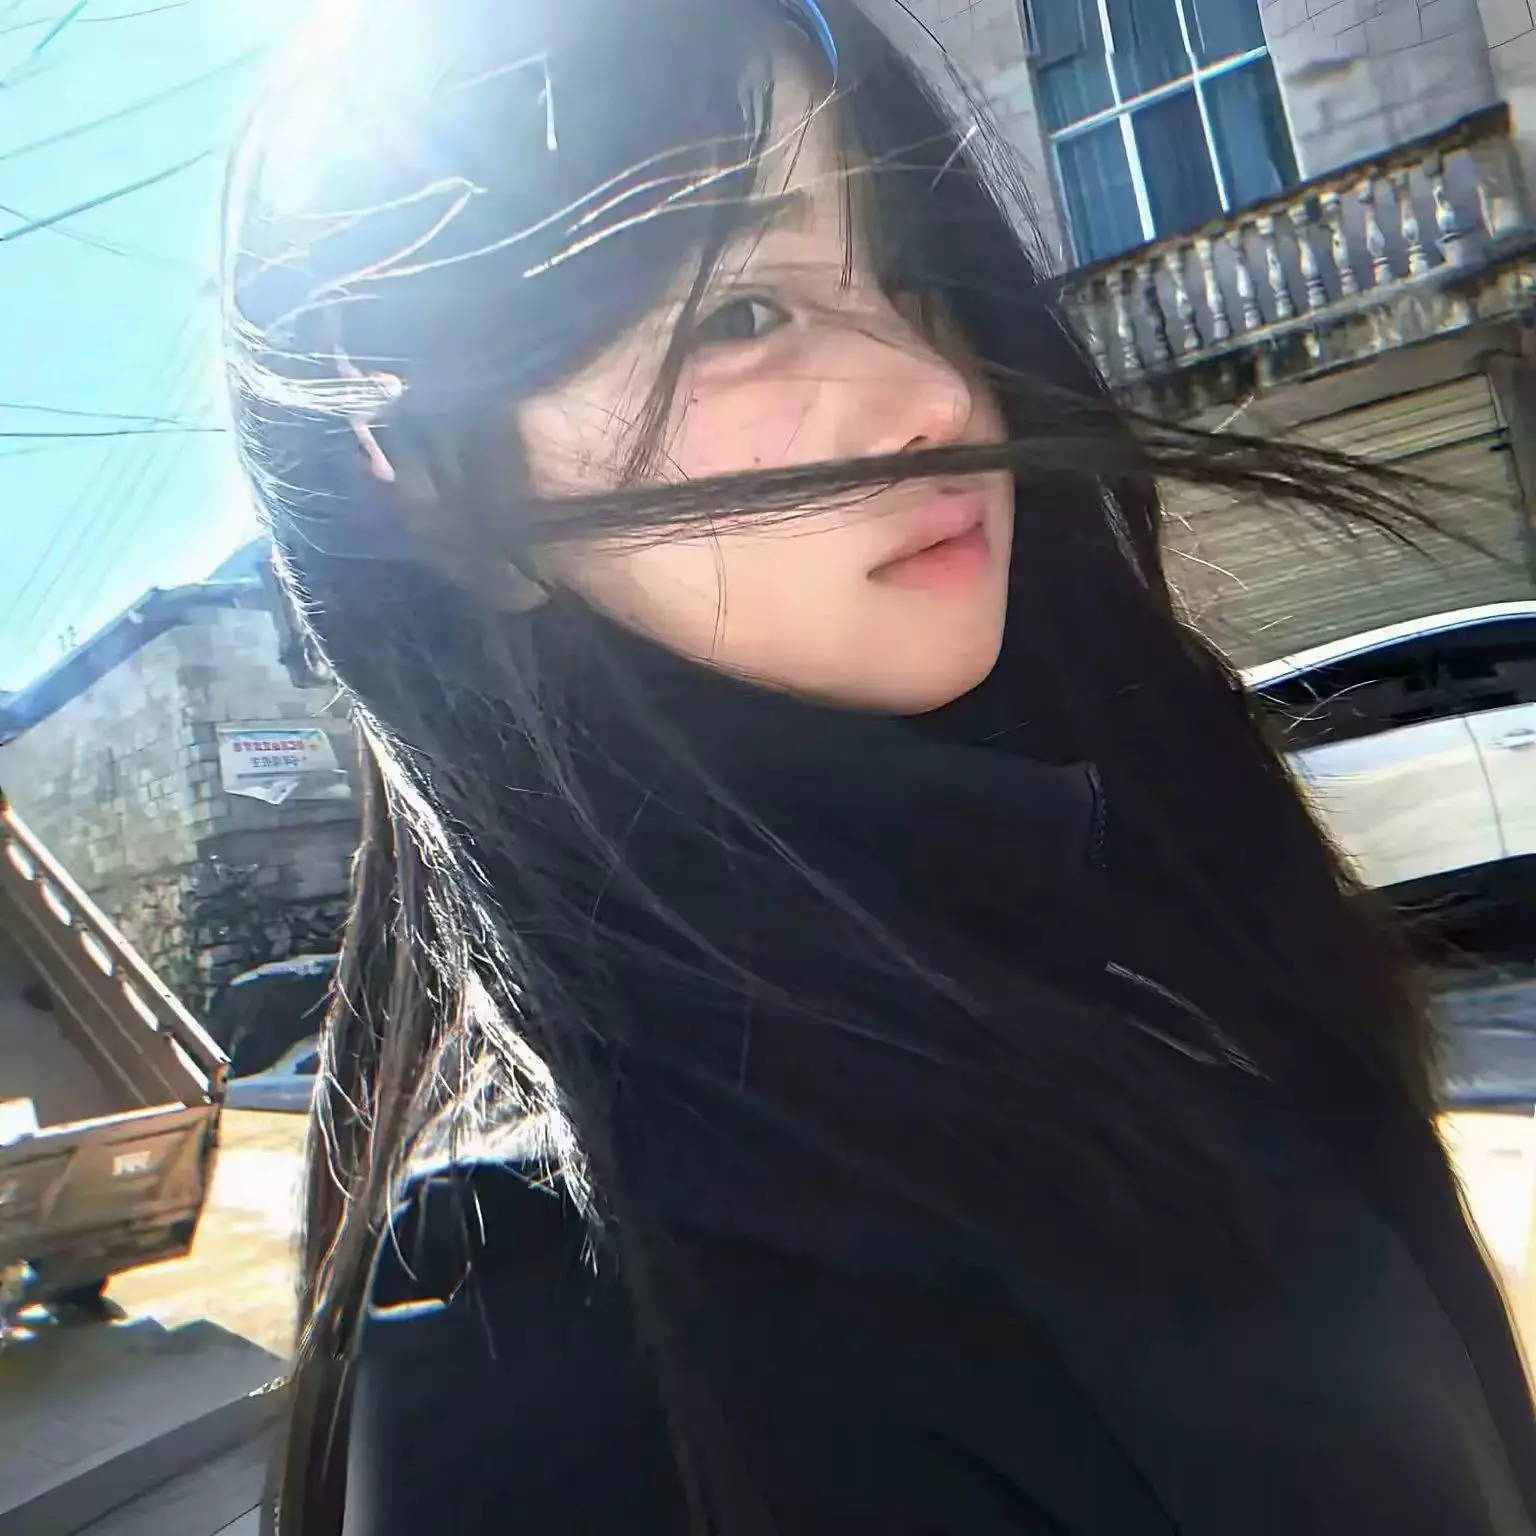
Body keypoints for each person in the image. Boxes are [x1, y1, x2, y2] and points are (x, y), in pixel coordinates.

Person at [224, 1, 1536, 1532]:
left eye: (912, 275)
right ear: (450, 503)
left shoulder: (1146, 897)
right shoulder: (563, 1308)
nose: (936, 392)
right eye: (739, 314)